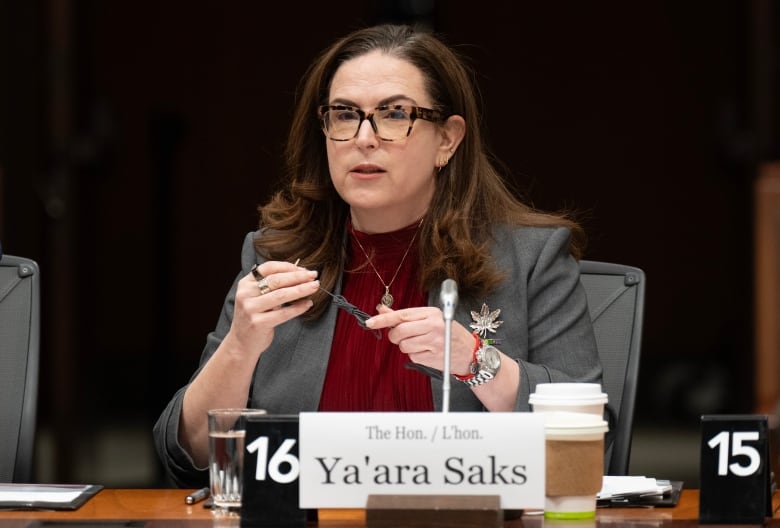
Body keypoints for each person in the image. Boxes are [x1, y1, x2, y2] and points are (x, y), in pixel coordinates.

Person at [153, 23, 603, 487]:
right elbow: (186, 453)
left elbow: (589, 445)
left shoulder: (531, 256)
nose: (364, 138)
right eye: (345, 115)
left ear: (447, 139)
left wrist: (477, 361)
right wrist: (240, 347)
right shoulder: (279, 255)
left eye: (394, 114)